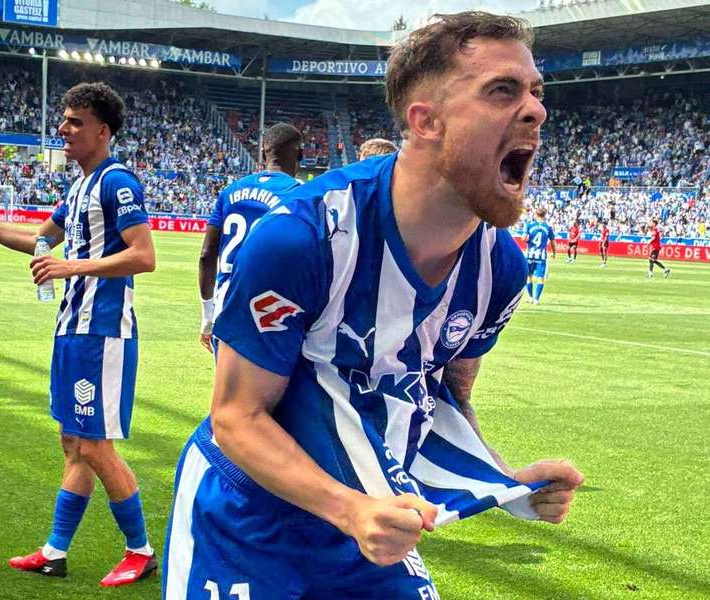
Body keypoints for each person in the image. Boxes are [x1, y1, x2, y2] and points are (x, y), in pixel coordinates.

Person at [163, 12, 583, 599]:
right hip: (249, 520)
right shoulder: (304, 238)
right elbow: (237, 418)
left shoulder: (500, 269)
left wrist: (502, 481)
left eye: (536, 92)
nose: (536, 110)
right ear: (425, 120)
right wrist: (348, 509)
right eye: (502, 90)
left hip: (372, 524)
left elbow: (446, 397)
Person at [0, 83, 159, 587]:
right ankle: (55, 551)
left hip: (102, 335)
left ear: (102, 130)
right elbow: (35, 241)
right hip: (71, 331)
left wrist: (69, 266)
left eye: (75, 121)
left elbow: (144, 255)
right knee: (73, 443)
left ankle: (140, 551)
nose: (63, 129)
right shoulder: (78, 187)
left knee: (96, 446)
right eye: (64, 120)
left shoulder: (117, 183)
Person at [198, 123, 303, 353]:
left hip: (225, 308)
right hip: (271, 313)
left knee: (226, 388)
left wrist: (207, 316)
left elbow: (207, 256)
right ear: (300, 155)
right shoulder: (301, 195)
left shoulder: (230, 191)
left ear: (264, 152)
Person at [525, 207, 556, 304]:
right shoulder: (548, 227)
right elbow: (552, 241)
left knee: (528, 276)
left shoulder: (529, 225)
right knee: (540, 278)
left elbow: (523, 238)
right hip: (541, 256)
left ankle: (530, 297)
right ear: (544, 215)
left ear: (536, 214)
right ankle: (536, 299)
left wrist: (527, 239)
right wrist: (554, 253)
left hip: (530, 254)